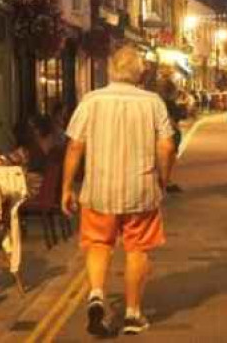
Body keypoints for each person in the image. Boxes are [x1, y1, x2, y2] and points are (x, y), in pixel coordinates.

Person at [62, 45, 175, 336]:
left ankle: (97, 294)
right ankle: (133, 314)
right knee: (136, 249)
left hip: (99, 189)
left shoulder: (91, 100)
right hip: (141, 189)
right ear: (140, 72)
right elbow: (166, 145)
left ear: (111, 70)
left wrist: (65, 187)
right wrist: (164, 178)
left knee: (99, 245)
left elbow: (75, 145)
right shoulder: (153, 102)